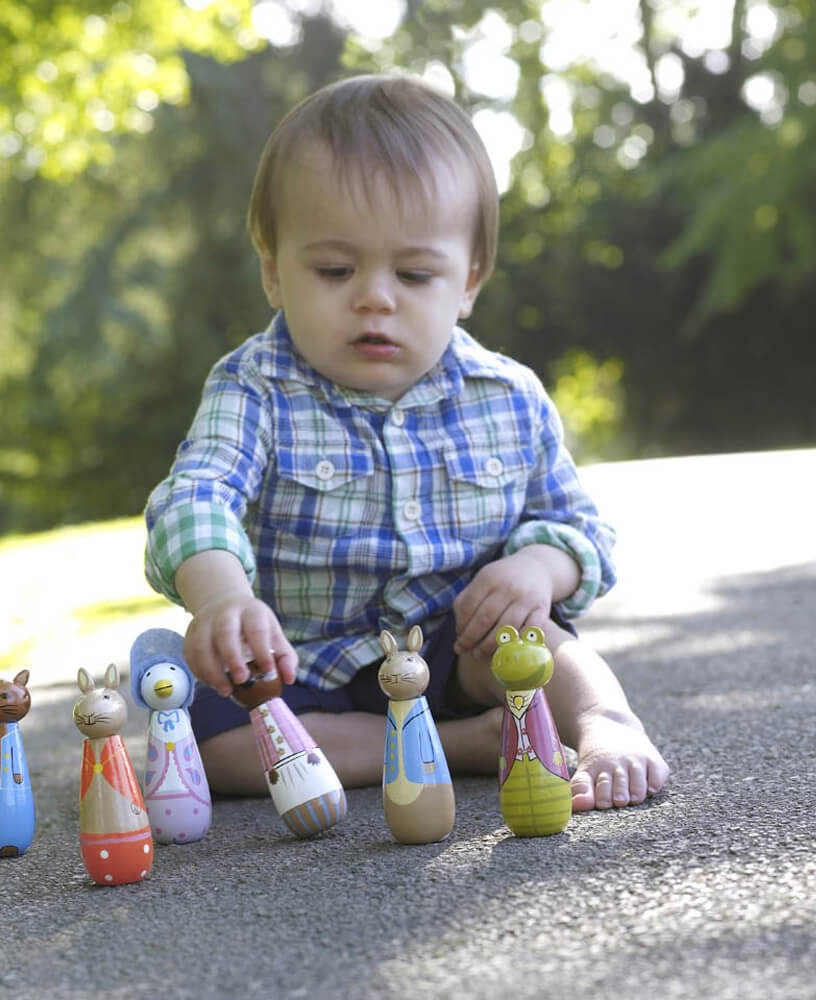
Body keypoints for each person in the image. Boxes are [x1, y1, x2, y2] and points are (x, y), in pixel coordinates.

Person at [143, 73, 669, 812]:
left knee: (532, 636)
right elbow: (198, 495)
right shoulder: (254, 388)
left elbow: (583, 529)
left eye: (416, 273)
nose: (375, 297)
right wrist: (223, 599)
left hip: (460, 652)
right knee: (207, 742)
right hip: (301, 661)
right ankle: (466, 746)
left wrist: (537, 568)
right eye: (334, 270)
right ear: (273, 270)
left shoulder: (506, 396)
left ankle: (607, 724)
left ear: (468, 282)